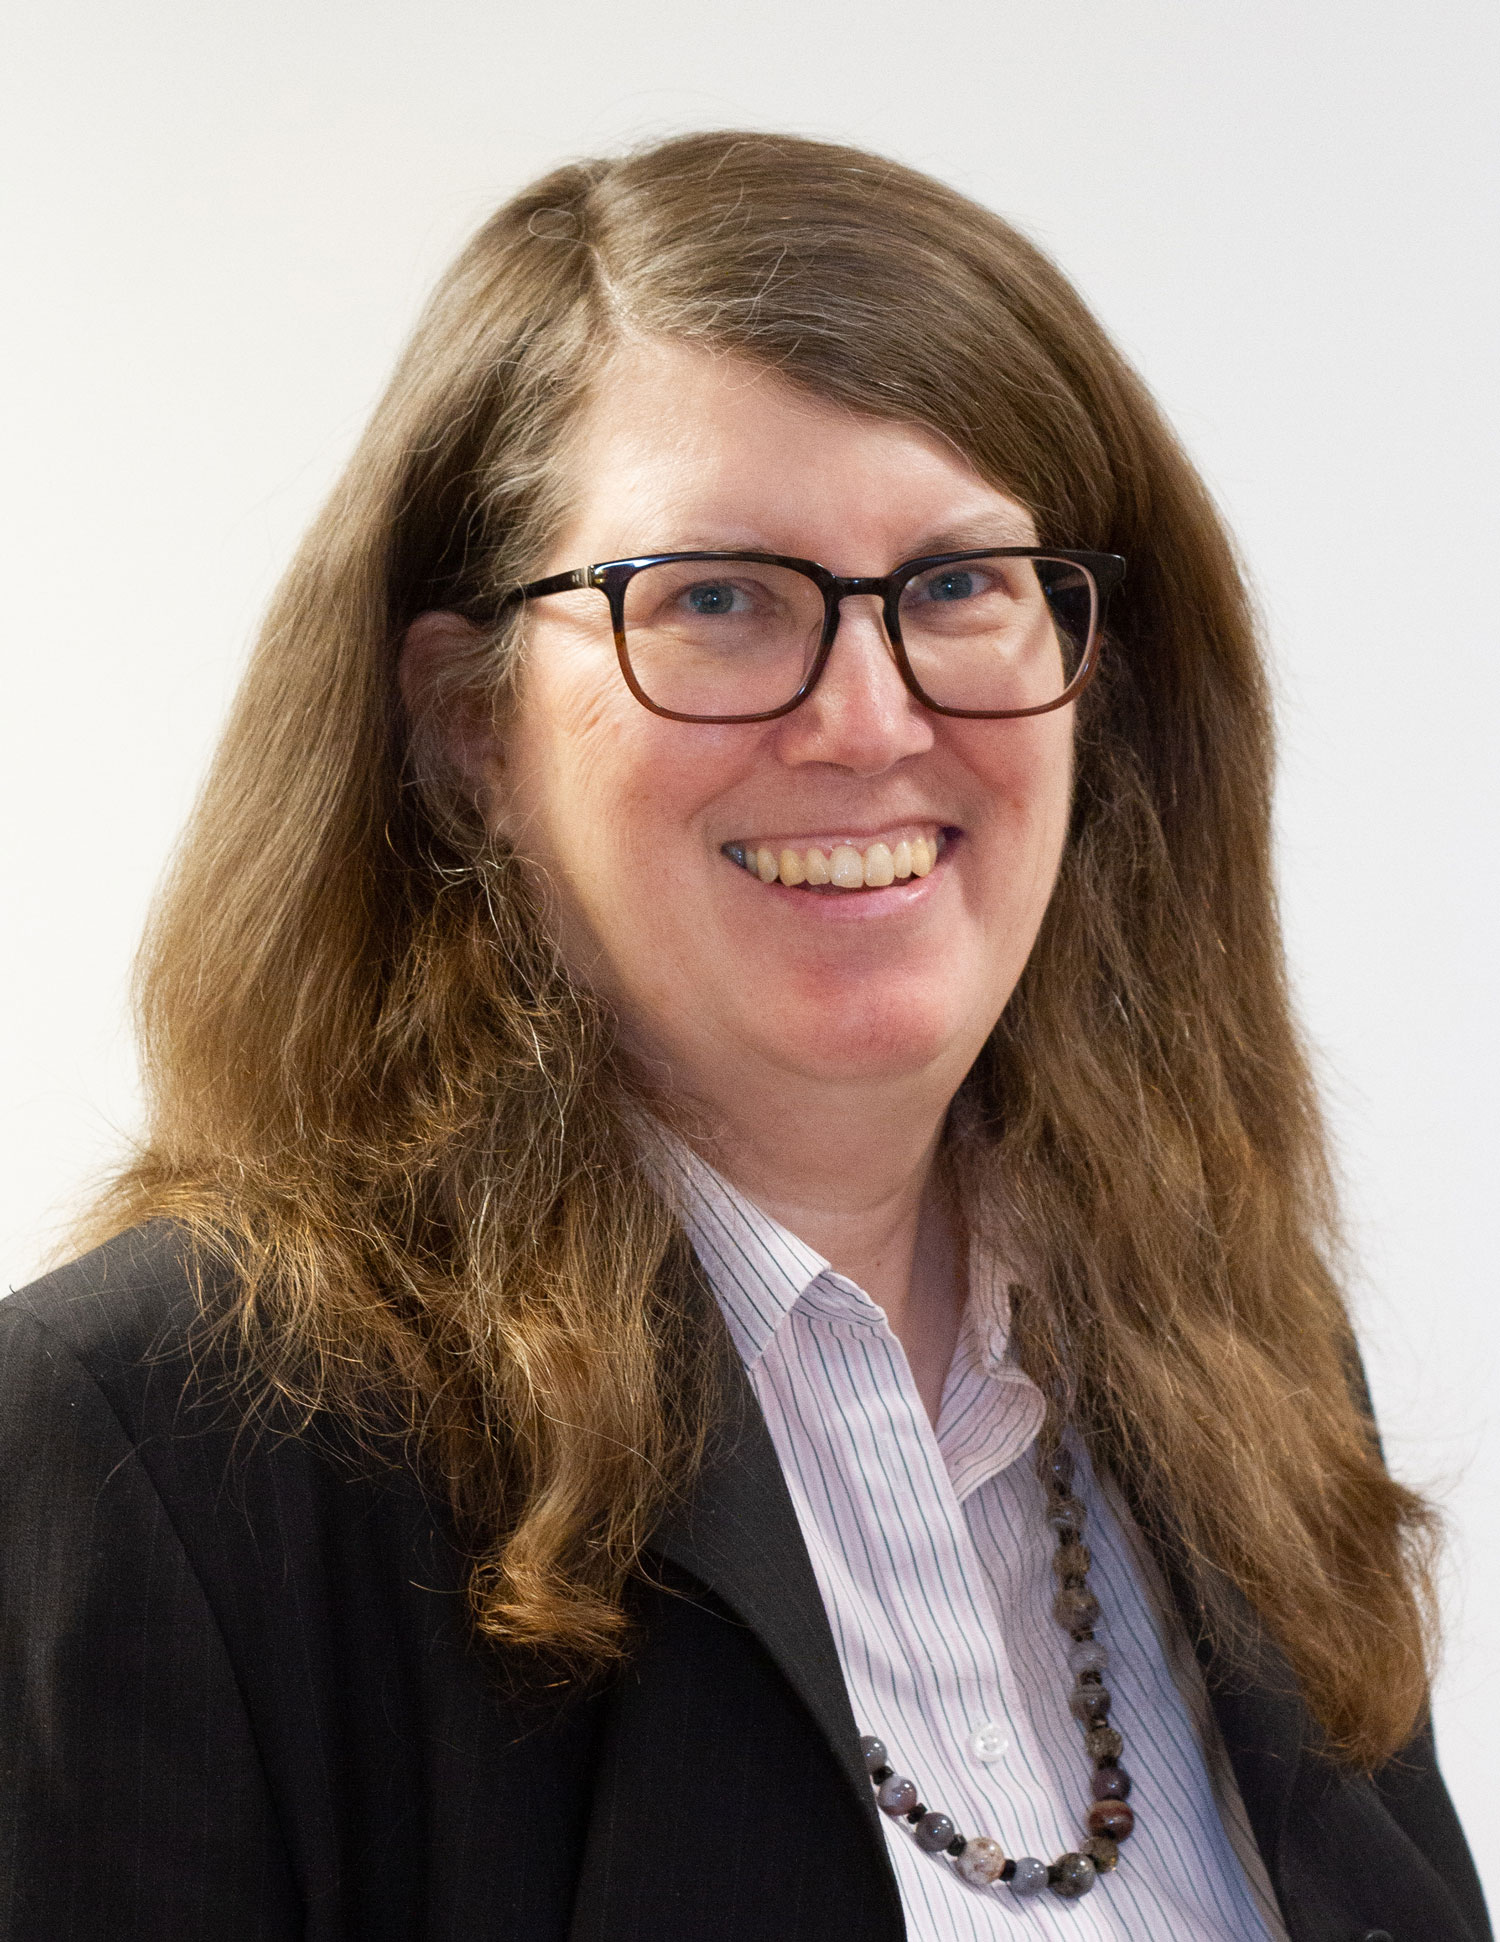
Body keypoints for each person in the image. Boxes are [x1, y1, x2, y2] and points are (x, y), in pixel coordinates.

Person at [0, 130, 1486, 1942]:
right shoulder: (151, 1452)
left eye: (956, 586)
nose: (869, 719)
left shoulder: (1237, 1354)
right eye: (716, 598)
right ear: (472, 724)